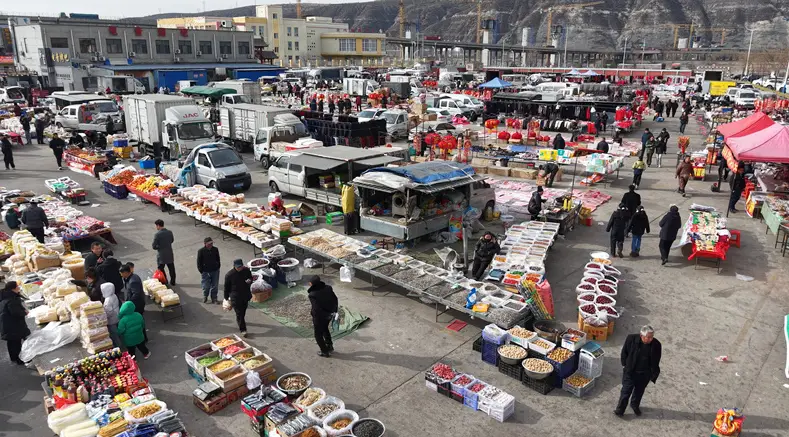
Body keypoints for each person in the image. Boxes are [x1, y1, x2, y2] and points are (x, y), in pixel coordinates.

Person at [615, 325, 662, 417]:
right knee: (626, 391)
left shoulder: (656, 344)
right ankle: (620, 410)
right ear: (641, 335)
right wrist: (625, 364)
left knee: (639, 392)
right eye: (648, 337)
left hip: (644, 374)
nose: (650, 339)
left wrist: (653, 373)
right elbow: (624, 352)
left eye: (651, 337)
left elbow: (656, 359)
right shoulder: (631, 339)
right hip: (631, 372)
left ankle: (634, 405)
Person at [307, 275, 339, 357]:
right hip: (329, 314)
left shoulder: (312, 294)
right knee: (325, 329)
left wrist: (315, 315)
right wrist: (334, 312)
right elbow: (335, 299)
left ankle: (324, 351)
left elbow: (316, 309)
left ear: (312, 284)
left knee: (318, 335)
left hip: (320, 317)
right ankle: (329, 346)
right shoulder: (328, 288)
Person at [0, 281, 30, 365]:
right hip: (13, 325)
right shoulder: (12, 299)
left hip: (6, 323)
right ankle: (19, 359)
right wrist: (25, 312)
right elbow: (15, 312)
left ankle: (14, 357)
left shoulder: (4, 296)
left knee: (11, 342)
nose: (19, 288)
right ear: (13, 288)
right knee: (16, 342)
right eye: (17, 286)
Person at [224, 259, 253, 337]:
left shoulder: (246, 270)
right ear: (234, 266)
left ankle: (240, 320)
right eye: (238, 267)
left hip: (245, 294)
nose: (240, 268)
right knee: (239, 313)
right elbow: (226, 288)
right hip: (235, 297)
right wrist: (226, 298)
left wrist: (249, 280)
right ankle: (243, 329)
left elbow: (250, 277)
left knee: (243, 310)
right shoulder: (229, 275)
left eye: (241, 266)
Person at [197, 237, 221, 304]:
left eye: (212, 243)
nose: (211, 245)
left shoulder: (215, 249)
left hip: (215, 270)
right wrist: (201, 270)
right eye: (209, 244)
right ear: (205, 244)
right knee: (206, 285)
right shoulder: (201, 251)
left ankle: (214, 298)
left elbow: (218, 258)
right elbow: (199, 262)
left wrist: (218, 266)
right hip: (205, 271)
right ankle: (205, 296)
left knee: (215, 285)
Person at [152, 219, 176, 285]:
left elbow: (154, 246)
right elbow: (172, 240)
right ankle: (173, 281)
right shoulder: (169, 232)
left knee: (161, 268)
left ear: (158, 225)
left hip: (161, 255)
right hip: (169, 253)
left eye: (156, 226)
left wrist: (159, 247)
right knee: (171, 268)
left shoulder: (157, 235)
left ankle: (164, 280)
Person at [101, 283, 121, 347]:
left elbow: (108, 312)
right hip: (117, 315)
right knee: (117, 330)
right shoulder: (114, 295)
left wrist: (103, 318)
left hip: (111, 320)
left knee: (113, 333)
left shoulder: (107, 301)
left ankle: (118, 345)